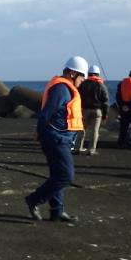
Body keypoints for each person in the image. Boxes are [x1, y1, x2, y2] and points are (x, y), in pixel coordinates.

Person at [25, 56, 88, 222]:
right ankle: (34, 199)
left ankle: (57, 211)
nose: (83, 81)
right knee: (65, 176)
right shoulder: (62, 89)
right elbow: (47, 112)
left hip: (61, 138)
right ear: (73, 73)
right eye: (82, 76)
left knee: (57, 175)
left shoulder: (64, 87)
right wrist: (39, 132)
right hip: (55, 138)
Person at [75, 64, 109, 155]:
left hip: (85, 110)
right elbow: (105, 101)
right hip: (97, 111)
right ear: (98, 74)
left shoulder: (83, 84)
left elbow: (78, 97)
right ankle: (92, 150)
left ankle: (77, 148)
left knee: (82, 130)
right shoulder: (101, 85)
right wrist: (105, 114)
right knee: (94, 131)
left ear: (89, 74)